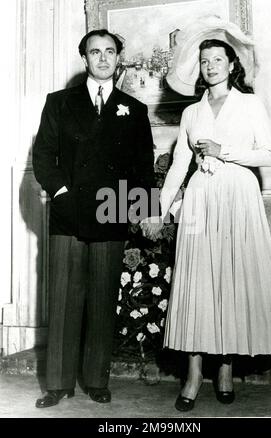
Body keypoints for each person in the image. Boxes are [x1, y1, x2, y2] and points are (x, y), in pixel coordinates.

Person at [141, 17, 271, 411]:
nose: (210, 67)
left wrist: (225, 151)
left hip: (239, 198)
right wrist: (159, 211)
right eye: (205, 61)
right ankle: (192, 375)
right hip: (201, 200)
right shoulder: (192, 113)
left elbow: (268, 155)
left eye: (217, 60)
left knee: (230, 280)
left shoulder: (250, 103)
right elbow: (177, 168)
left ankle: (225, 369)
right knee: (197, 285)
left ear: (231, 64)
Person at [33, 29, 157, 408]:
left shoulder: (133, 110)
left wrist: (146, 209)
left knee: (103, 300)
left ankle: (96, 379)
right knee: (65, 300)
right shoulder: (59, 102)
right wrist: (61, 194)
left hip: (112, 211)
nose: (102, 58)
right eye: (94, 52)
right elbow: (44, 156)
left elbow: (142, 167)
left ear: (118, 58)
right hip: (69, 213)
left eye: (109, 52)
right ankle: (57, 383)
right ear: (84, 58)